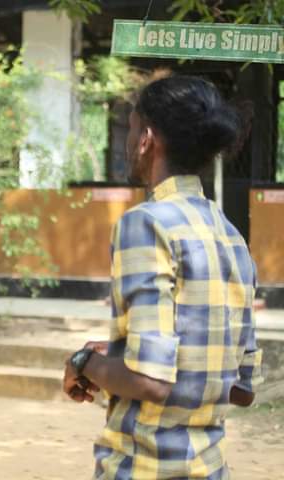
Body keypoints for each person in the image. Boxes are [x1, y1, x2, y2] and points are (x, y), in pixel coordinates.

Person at [62, 75, 263, 479]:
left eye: (131, 127)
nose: (128, 140)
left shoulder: (145, 224)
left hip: (143, 468)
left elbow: (149, 380)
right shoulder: (229, 235)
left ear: (146, 139)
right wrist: (116, 355)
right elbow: (242, 389)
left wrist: (84, 362)